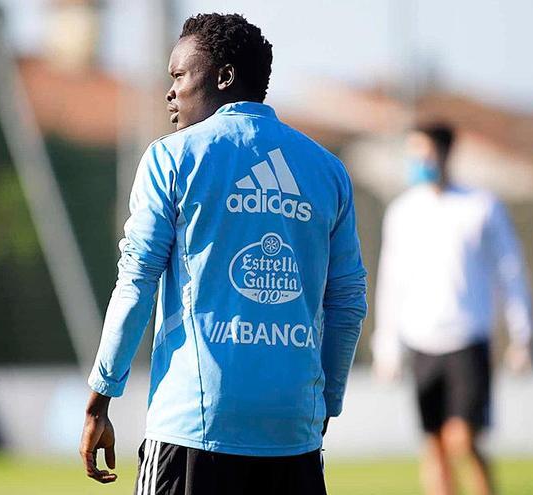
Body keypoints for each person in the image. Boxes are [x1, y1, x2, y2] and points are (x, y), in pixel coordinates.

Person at [79, 13, 367, 495]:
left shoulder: (171, 157)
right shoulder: (327, 170)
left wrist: (100, 396)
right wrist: (325, 404)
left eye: (179, 75)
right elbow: (348, 302)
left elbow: (136, 281)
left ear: (224, 77)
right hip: (292, 429)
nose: (169, 91)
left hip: (194, 425)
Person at [371, 123, 533, 495]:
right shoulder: (401, 212)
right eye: (413, 154)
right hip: (421, 341)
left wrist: (523, 335)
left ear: (446, 154)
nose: (419, 161)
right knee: (435, 445)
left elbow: (510, 271)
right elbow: (391, 282)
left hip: (467, 338)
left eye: (426, 153)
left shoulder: (480, 206)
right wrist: (387, 346)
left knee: (463, 440)